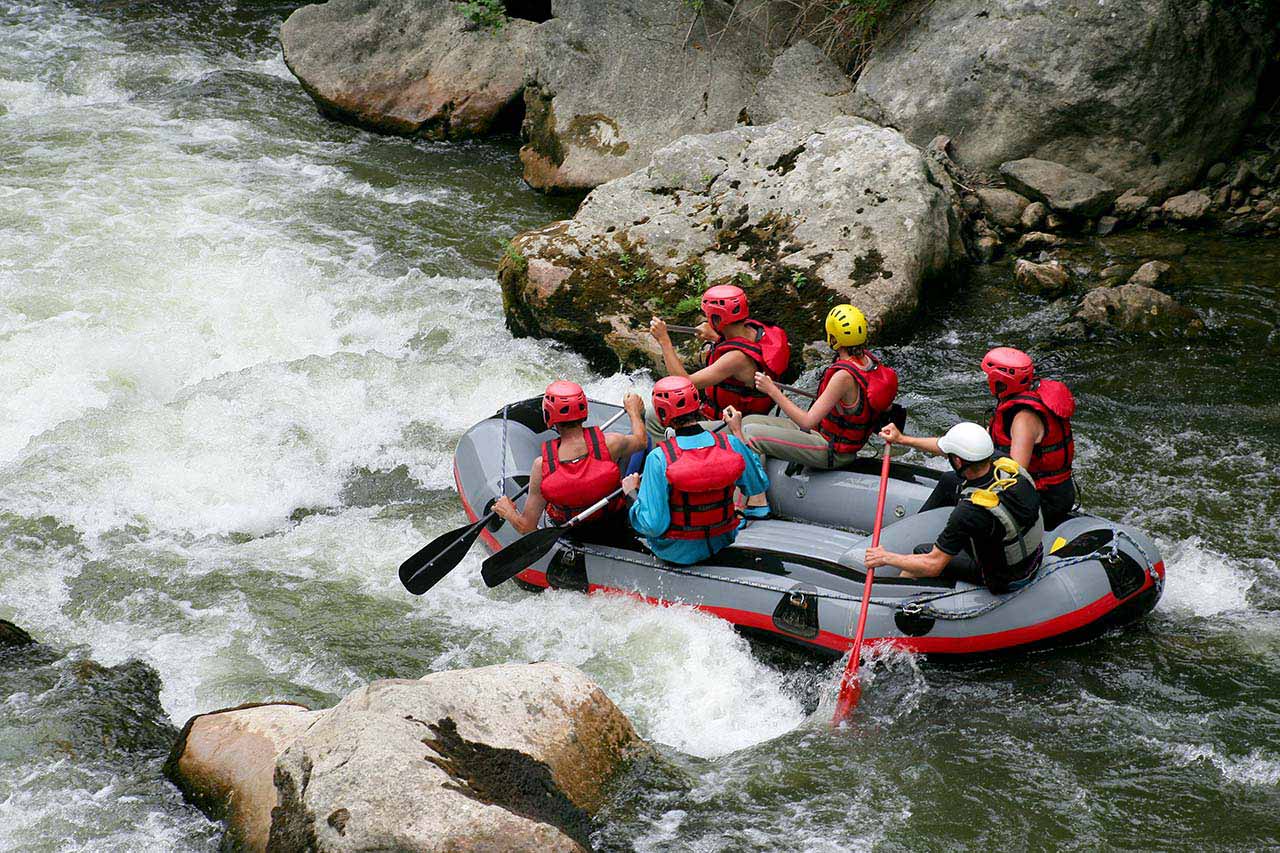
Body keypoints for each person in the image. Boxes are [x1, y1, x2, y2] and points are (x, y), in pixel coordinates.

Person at [879, 347, 1076, 529]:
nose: (986, 380)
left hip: (1044, 501)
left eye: (989, 377)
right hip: (1055, 493)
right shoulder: (1022, 403)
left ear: (1001, 382)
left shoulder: (1023, 419)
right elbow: (963, 446)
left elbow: (1016, 475)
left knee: (951, 481)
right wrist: (903, 439)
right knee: (955, 477)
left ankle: (914, 532)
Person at [865, 422, 1045, 594]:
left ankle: (895, 605)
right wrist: (902, 439)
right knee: (950, 480)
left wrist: (885, 557)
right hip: (1032, 558)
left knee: (923, 552)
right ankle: (919, 523)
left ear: (958, 461)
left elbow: (932, 566)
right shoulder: (1004, 464)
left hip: (1004, 579)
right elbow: (945, 449)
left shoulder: (968, 512)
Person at [622, 376, 769, 565]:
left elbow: (653, 525)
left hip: (675, 553)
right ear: (698, 406)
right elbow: (758, 484)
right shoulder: (730, 443)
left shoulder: (659, 458)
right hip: (722, 541)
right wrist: (738, 433)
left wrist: (631, 493)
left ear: (661, 414)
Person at [741, 303, 898, 472]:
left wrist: (771, 390)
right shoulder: (869, 363)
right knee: (748, 421)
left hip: (832, 452)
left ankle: (757, 496)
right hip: (824, 436)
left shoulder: (844, 377)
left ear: (834, 339)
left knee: (751, 434)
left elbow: (807, 422)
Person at [493, 381, 647, 535]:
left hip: (570, 532)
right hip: (612, 521)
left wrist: (508, 512)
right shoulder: (611, 442)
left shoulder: (541, 466)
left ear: (548, 416)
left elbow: (526, 527)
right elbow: (642, 441)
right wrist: (634, 411)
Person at [644, 283, 790, 442]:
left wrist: (664, 341)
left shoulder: (736, 359)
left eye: (709, 316)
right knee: (658, 413)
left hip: (731, 422)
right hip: (739, 413)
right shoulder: (755, 330)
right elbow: (741, 343)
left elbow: (683, 383)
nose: (707, 320)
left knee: (656, 417)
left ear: (717, 318)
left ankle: (667, 458)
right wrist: (716, 337)